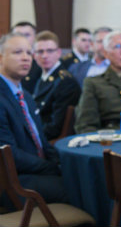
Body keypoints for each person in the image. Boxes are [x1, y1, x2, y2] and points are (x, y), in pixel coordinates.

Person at [0, 33, 66, 204]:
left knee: (83, 178)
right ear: (1, 58)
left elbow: (42, 141)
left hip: (34, 171)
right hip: (12, 182)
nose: (25, 58)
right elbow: (9, 155)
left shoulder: (26, 96)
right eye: (17, 52)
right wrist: (52, 168)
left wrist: (59, 162)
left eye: (29, 53)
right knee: (79, 187)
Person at [31, 31, 81, 140]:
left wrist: (28, 135)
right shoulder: (42, 76)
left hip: (49, 140)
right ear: (34, 55)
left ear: (58, 53)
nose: (45, 56)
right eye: (40, 51)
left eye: (49, 51)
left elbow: (55, 127)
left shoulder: (66, 82)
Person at [11, 21, 42, 93]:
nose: (22, 38)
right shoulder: (5, 61)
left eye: (27, 35)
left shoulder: (43, 59)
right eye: (18, 35)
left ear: (35, 37)